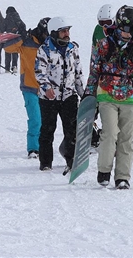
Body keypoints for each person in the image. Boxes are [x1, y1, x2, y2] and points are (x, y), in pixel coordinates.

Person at [83, 5, 133, 189]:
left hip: (131, 96)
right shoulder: (105, 44)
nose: (128, 34)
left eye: (132, 30)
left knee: (126, 138)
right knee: (110, 133)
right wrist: (89, 93)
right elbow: (94, 70)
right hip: (107, 94)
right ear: (119, 26)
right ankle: (104, 171)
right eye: (125, 29)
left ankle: (122, 176)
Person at [34, 16, 84, 174]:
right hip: (49, 97)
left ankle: (71, 160)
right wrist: (46, 87)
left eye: (68, 30)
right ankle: (45, 162)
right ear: (54, 32)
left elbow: (78, 73)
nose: (67, 33)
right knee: (48, 130)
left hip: (69, 96)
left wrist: (84, 94)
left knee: (71, 129)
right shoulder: (44, 49)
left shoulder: (72, 48)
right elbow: (39, 72)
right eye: (63, 31)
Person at [3, 17, 49, 159]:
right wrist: (21, 37)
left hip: (48, 89)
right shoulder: (27, 42)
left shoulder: (51, 45)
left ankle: (45, 146)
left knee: (46, 121)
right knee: (35, 119)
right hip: (30, 88)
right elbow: (7, 47)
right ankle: (33, 148)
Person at [2, 6, 25, 72]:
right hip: (16, 37)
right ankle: (14, 66)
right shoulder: (17, 17)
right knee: (15, 51)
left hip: (8, 37)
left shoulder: (7, 18)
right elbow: (23, 26)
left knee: (8, 50)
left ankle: (7, 67)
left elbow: (3, 28)